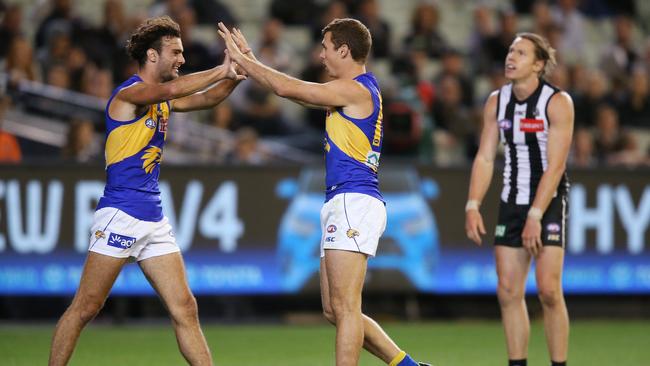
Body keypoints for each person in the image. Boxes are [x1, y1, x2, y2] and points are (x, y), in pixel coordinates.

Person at [218, 19, 431, 366]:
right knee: (335, 309)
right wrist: (253, 60)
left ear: (344, 50)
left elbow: (290, 90)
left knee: (346, 307)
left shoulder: (356, 89)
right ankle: (407, 365)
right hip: (343, 201)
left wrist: (246, 63)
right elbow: (298, 93)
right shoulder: (349, 91)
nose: (321, 55)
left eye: (326, 47)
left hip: (353, 201)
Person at [49, 16, 245, 366]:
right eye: (176, 52)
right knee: (86, 307)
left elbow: (208, 99)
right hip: (121, 214)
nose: (182, 59)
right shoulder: (130, 93)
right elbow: (172, 90)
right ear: (152, 57)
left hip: (153, 218)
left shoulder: (162, 97)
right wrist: (222, 67)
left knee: (185, 307)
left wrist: (236, 73)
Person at [465, 32, 573, 366]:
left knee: (549, 291)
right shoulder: (497, 101)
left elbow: (555, 167)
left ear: (539, 65)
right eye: (511, 50)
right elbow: (485, 157)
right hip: (512, 199)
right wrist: (473, 204)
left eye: (521, 53)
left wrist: (536, 215)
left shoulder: (557, 102)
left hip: (548, 201)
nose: (511, 57)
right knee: (508, 292)